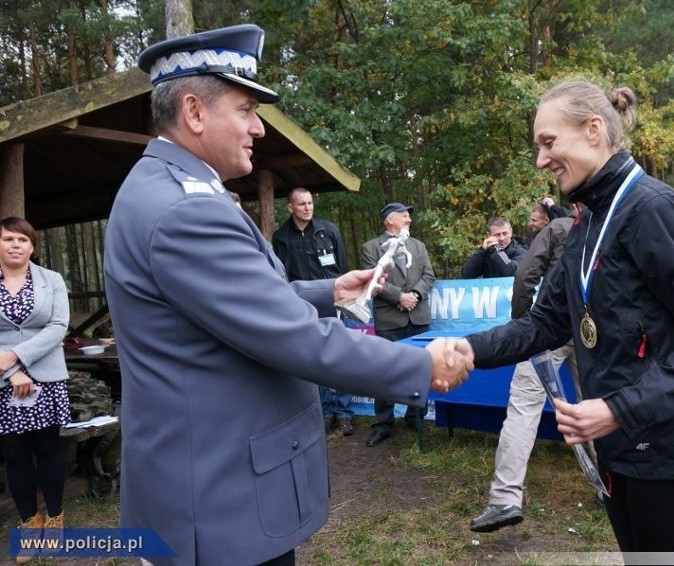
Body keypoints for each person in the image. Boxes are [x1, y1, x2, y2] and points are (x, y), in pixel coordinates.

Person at [103, 25, 468, 566]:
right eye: (247, 110)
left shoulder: (166, 188)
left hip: (206, 484)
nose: (258, 129)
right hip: (219, 503)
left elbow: (222, 306)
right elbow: (293, 338)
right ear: (195, 113)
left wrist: (328, 291)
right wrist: (417, 366)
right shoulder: (186, 210)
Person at [440, 78, 674, 555]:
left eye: (548, 142)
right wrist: (470, 349)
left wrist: (617, 410)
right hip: (617, 451)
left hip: (669, 456)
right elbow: (546, 323)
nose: (541, 160)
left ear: (594, 130)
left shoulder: (653, 209)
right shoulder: (587, 221)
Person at [470, 206, 583, 533]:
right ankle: (613, 486)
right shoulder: (617, 221)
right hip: (595, 330)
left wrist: (523, 325)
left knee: (523, 407)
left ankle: (505, 498)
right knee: (596, 404)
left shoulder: (559, 227)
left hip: (550, 326)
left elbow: (525, 275)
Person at [0, 217, 71, 564]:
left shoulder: (51, 280)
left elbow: (59, 325)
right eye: (8, 238)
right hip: (1, 380)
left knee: (47, 448)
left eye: (23, 240)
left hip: (46, 376)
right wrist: (11, 370)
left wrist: (18, 355)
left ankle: (56, 518)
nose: (15, 245)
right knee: (13, 454)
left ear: (33, 246)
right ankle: (29, 523)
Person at [272, 187, 354, 435]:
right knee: (315, 357)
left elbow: (342, 267)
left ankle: (345, 413)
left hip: (331, 299)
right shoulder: (280, 237)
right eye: (301, 204)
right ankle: (326, 412)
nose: (307, 208)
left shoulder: (328, 230)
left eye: (310, 203)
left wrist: (344, 299)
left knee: (340, 354)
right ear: (290, 207)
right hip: (301, 304)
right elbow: (281, 273)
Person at [361, 202, 436, 447]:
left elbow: (429, 275)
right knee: (386, 372)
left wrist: (414, 294)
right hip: (390, 320)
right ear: (389, 220)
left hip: (418, 317)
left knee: (420, 370)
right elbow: (373, 279)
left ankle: (416, 417)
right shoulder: (371, 248)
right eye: (404, 216)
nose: (409, 220)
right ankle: (383, 424)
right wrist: (399, 297)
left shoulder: (418, 245)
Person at [461, 216, 527, 278]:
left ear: (511, 232)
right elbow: (466, 274)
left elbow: (511, 271)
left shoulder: (521, 251)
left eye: (505, 233)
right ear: (489, 235)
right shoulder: (486, 252)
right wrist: (482, 251)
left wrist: (497, 250)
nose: (502, 238)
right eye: (497, 235)